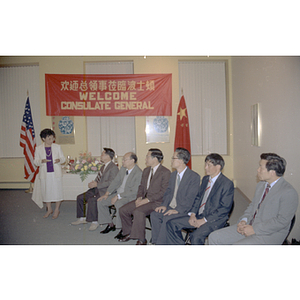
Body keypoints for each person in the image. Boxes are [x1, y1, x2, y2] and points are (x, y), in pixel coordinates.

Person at [208, 153, 299, 245]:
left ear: (272, 172)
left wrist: (254, 229)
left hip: (270, 234)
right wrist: (243, 220)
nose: (258, 170)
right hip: (250, 225)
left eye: (261, 167)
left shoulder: (288, 192)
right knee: (214, 237)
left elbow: (281, 221)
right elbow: (252, 206)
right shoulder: (261, 185)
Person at [165, 153, 234, 245]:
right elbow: (198, 198)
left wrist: (204, 220)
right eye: (205, 164)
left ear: (218, 167)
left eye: (208, 165)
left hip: (214, 219)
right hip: (198, 215)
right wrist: (193, 214)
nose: (205, 167)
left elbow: (224, 209)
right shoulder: (205, 179)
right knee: (171, 224)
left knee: (196, 236)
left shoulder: (227, 184)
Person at [118, 148, 171, 245]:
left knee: (138, 211)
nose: (145, 159)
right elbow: (141, 186)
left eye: (147, 156)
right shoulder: (146, 170)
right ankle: (128, 232)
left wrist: (147, 200)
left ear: (154, 159)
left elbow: (163, 192)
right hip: (144, 199)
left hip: (156, 202)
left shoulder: (165, 172)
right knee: (123, 210)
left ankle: (142, 239)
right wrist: (139, 197)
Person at [150, 147, 200, 244]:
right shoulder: (173, 175)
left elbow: (190, 198)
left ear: (181, 161)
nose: (171, 160)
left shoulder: (194, 177)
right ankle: (155, 241)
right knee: (155, 215)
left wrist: (177, 210)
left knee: (166, 219)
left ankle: (161, 244)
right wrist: (164, 205)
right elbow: (168, 192)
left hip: (184, 209)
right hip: (170, 206)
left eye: (173, 158)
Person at [71, 148, 119, 231]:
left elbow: (112, 182)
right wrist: (93, 184)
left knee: (92, 200)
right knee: (80, 197)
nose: (101, 156)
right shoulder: (103, 166)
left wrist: (97, 184)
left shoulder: (113, 167)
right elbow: (98, 179)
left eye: (102, 154)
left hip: (106, 191)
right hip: (97, 188)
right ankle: (82, 218)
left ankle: (95, 221)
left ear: (108, 156)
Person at [97, 152, 142, 234]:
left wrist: (118, 196)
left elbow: (134, 191)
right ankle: (110, 224)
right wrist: (107, 193)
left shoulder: (138, 173)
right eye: (123, 159)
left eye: (125, 160)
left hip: (129, 196)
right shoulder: (123, 168)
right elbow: (115, 181)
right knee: (101, 201)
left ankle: (123, 229)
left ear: (132, 161)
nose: (123, 161)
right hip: (117, 193)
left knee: (119, 204)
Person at [33, 128, 66, 219]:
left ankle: (56, 210)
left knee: (57, 191)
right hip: (45, 174)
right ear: (43, 139)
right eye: (49, 139)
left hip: (56, 174)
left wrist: (60, 160)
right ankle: (49, 209)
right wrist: (41, 161)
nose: (51, 140)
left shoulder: (57, 147)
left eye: (52, 138)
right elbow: (35, 161)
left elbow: (63, 159)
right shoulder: (38, 148)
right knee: (46, 192)